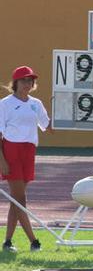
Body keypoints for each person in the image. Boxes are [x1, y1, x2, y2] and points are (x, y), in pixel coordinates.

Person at [0, 66, 51, 252]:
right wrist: (2, 161)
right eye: (24, 80)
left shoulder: (36, 103)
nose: (27, 84)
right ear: (15, 83)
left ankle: (7, 242)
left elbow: (48, 125)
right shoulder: (5, 104)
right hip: (11, 150)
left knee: (16, 199)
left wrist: (63, 110)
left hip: (29, 150)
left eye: (30, 80)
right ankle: (33, 240)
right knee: (20, 198)